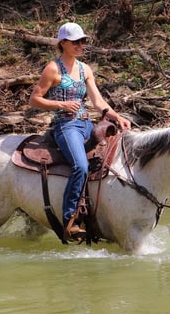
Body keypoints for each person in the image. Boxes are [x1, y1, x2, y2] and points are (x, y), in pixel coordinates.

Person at [28, 22, 132, 239]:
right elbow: (34, 100)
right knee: (80, 166)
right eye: (76, 42)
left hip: (87, 124)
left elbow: (97, 100)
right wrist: (61, 105)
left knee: (111, 160)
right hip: (65, 126)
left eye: (83, 41)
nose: (81, 45)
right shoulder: (53, 68)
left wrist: (116, 116)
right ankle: (70, 221)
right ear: (63, 43)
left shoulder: (85, 68)